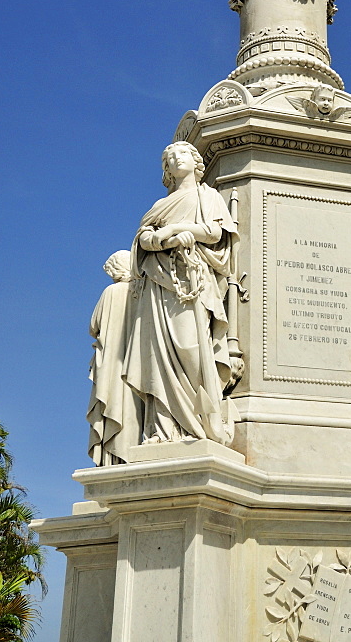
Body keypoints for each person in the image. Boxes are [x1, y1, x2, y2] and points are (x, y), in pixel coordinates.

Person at [123, 142, 239, 445]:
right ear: (166, 170)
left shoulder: (208, 196)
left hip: (192, 282)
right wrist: (160, 239)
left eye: (182, 154)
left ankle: (199, 422)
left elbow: (215, 233)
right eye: (169, 157)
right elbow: (144, 238)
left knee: (191, 349)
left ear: (196, 161)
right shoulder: (159, 206)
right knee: (158, 356)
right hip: (160, 285)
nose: (175, 159)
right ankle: (164, 429)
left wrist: (179, 230)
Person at [87, 251, 143, 465]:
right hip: (133, 361)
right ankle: (129, 454)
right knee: (132, 406)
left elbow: (94, 327)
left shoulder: (110, 292)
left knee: (110, 401)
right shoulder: (140, 292)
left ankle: (110, 459)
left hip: (109, 360)